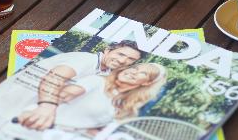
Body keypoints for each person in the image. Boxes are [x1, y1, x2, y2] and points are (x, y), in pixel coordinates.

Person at [16, 41, 142, 130]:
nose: (122, 61)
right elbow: (54, 78)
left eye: (131, 59)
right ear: (107, 50)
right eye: (121, 54)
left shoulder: (107, 73)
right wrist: (46, 108)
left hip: (36, 116)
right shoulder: (86, 60)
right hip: (19, 104)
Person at [19, 62, 167, 130]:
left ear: (147, 83)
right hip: (38, 126)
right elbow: (60, 96)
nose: (133, 71)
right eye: (135, 67)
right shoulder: (97, 81)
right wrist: (31, 111)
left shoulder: (122, 105)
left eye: (143, 73)